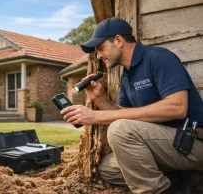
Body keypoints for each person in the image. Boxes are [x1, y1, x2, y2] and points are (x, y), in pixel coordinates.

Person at [60, 17, 203, 194]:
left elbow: (177, 108)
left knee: (120, 129)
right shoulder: (127, 76)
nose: (98, 56)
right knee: (107, 168)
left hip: (192, 141)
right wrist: (100, 98)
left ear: (118, 40)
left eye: (100, 48)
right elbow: (123, 114)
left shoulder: (159, 58)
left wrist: (95, 116)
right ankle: (182, 179)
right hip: (164, 145)